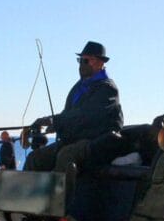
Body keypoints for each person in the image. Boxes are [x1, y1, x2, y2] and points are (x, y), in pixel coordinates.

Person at [24, 41, 123, 173]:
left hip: (97, 142)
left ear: (100, 63)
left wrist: (54, 120)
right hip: (73, 140)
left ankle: (58, 193)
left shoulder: (107, 89)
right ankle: (26, 193)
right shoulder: (78, 88)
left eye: (86, 61)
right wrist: (52, 125)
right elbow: (68, 114)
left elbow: (85, 115)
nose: (81, 64)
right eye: (80, 60)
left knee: (66, 155)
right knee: (35, 158)